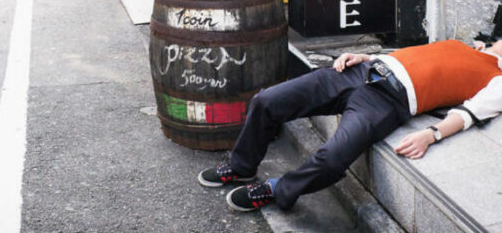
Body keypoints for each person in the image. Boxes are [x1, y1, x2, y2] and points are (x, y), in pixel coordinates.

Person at [198, 39, 502, 212]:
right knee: (267, 100)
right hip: (361, 70)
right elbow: (412, 57)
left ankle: (277, 190)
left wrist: (431, 134)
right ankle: (242, 167)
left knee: (332, 159)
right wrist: (367, 56)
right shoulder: (464, 44)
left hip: (386, 102)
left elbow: (470, 114)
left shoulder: (498, 80)